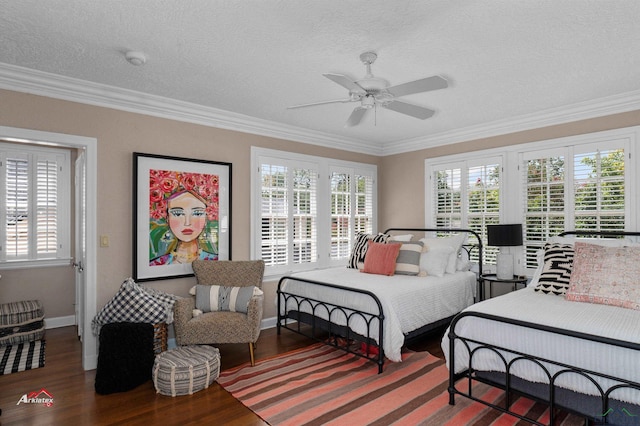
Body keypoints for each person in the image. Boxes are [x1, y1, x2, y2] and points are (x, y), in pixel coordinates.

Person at [150, 189, 217, 265]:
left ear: (206, 218)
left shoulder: (216, 262)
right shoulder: (155, 264)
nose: (187, 223)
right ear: (167, 218)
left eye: (197, 213)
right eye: (178, 214)